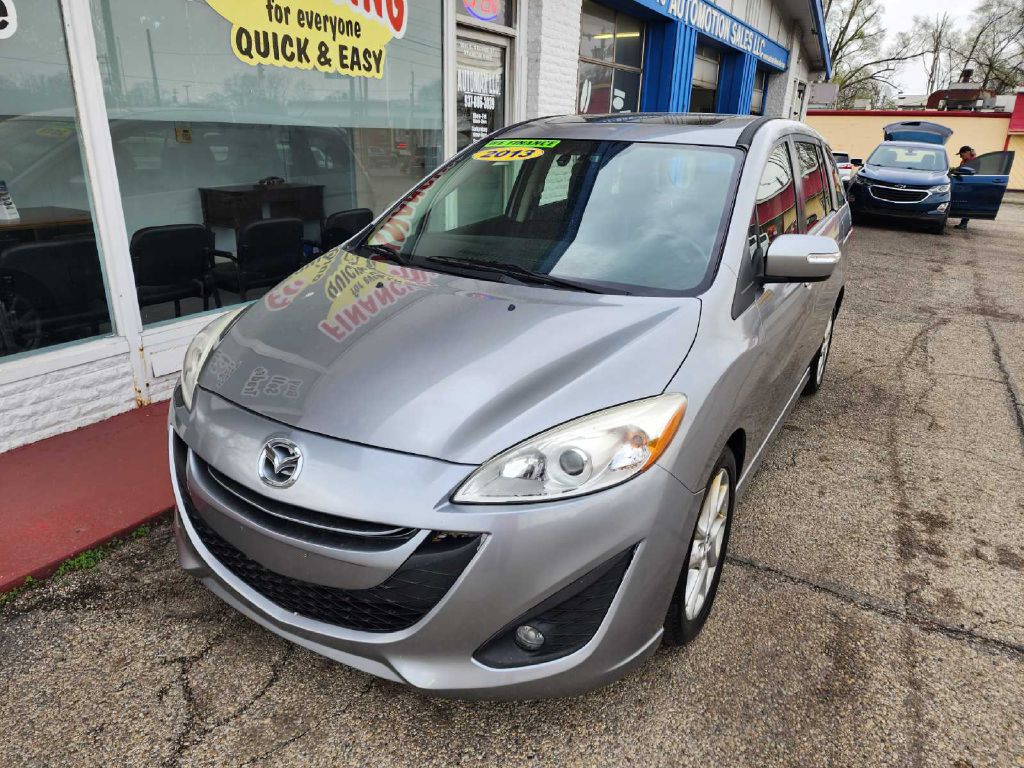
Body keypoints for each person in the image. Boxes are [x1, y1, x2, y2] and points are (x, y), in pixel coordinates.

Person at [954, 146, 977, 229]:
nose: (960, 156)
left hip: (971, 185)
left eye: (961, 154)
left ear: (967, 153)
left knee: (967, 203)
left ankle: (964, 223)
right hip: (963, 184)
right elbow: (960, 169)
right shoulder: (964, 160)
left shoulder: (974, 161)